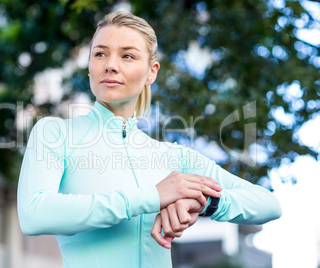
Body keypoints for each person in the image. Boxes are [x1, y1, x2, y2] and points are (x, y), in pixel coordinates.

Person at [17, 11, 281, 268]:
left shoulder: (174, 158)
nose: (110, 64)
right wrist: (152, 197)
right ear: (89, 68)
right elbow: (34, 214)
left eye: (128, 55)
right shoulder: (56, 133)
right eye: (100, 54)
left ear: (151, 72)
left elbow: (268, 204)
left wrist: (202, 202)